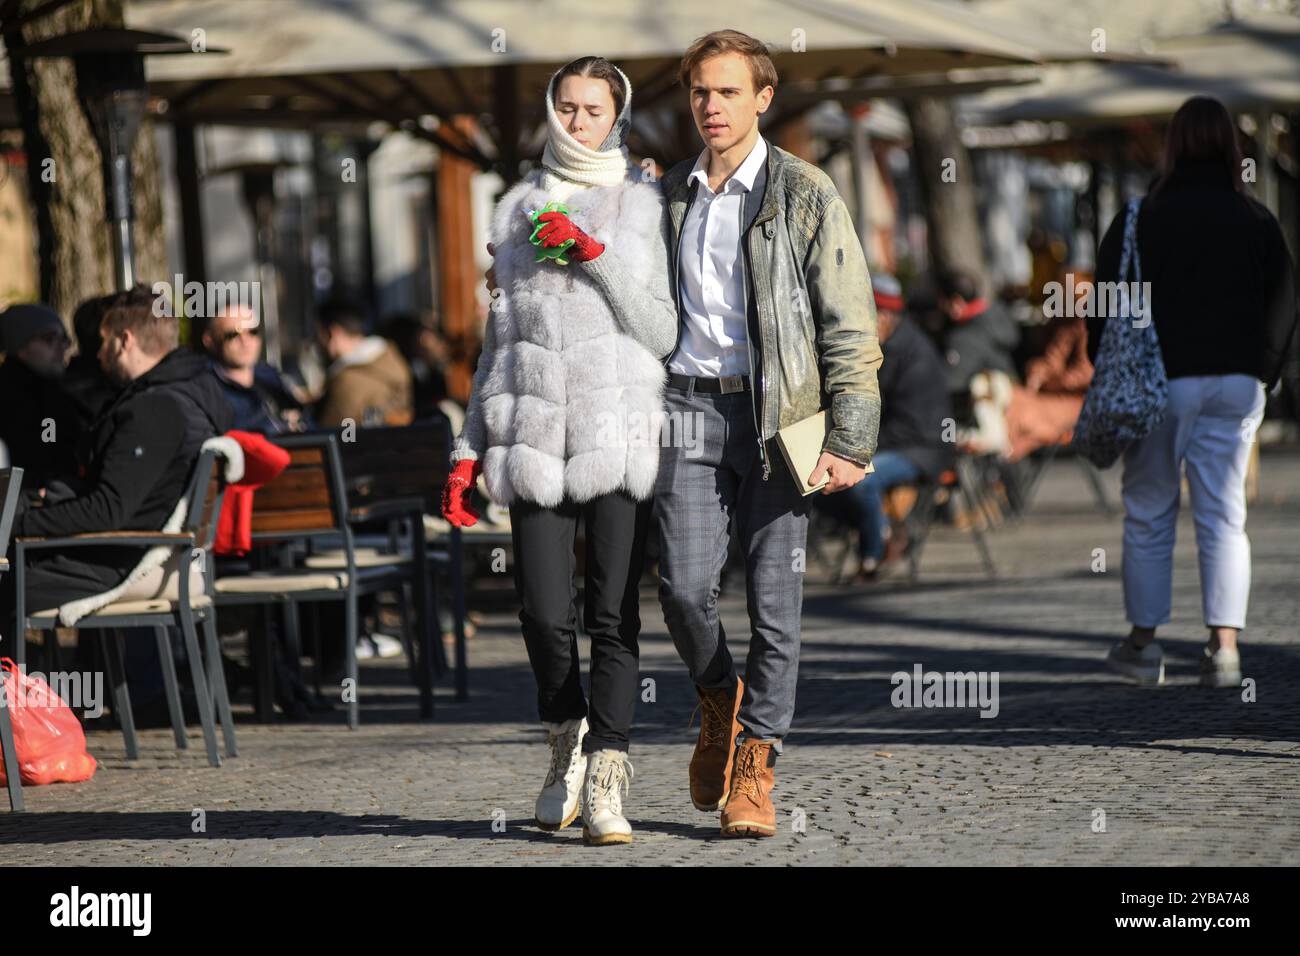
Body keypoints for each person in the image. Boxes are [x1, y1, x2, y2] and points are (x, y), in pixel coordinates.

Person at [440, 56, 677, 846]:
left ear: (619, 116)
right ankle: (564, 740)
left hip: (618, 436)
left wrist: (594, 255)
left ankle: (609, 769)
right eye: (567, 107)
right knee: (543, 612)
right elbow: (496, 348)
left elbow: (662, 332)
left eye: (593, 109)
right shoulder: (514, 211)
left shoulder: (645, 204)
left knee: (612, 615)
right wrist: (466, 450)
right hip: (533, 441)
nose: (578, 122)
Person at [654, 30, 881, 838]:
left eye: (726, 92)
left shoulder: (804, 191)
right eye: (699, 93)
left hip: (781, 417)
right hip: (686, 405)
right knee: (681, 588)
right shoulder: (670, 193)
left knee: (776, 607)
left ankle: (756, 763)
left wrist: (850, 437)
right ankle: (719, 694)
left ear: (762, 98)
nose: (710, 107)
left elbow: (849, 323)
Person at [1091, 96, 1298, 688]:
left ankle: (1144, 646)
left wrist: (1102, 364)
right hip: (1236, 382)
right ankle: (1224, 650)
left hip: (1161, 383)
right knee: (1224, 515)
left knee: (1149, 511)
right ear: (1234, 148)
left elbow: (1105, 304)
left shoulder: (1138, 217)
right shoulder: (1255, 218)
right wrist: (1264, 370)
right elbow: (1285, 301)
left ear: (1173, 145)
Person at [1, 287, 232, 623]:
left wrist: (16, 524)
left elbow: (108, 510)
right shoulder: (192, 393)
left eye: (104, 342)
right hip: (139, 553)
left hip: (118, 562)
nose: (97, 355)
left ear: (125, 340)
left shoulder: (157, 407)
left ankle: (21, 677)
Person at [816, 275, 953, 580]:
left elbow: (910, 424)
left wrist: (858, 448)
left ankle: (872, 556)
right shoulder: (885, 347)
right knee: (818, 486)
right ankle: (885, 530)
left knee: (861, 480)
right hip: (896, 442)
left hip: (921, 449)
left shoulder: (910, 354)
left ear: (886, 317)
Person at [936, 267, 1021, 455]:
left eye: (943, 302)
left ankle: (984, 441)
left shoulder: (963, 336)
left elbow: (951, 382)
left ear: (956, 302)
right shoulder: (997, 314)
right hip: (1017, 397)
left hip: (990, 414)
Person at [0, 303, 83, 488]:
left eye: (64, 340)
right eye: (49, 338)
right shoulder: (13, 395)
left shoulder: (55, 390)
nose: (61, 348)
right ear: (20, 345)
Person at [202, 303, 311, 434]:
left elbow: (307, 421)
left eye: (252, 332)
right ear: (210, 341)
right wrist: (280, 424)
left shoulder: (270, 376)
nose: (245, 341)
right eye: (232, 335)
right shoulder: (205, 388)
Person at [314, 298, 413, 427]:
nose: (317, 340)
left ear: (334, 333)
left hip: (358, 444)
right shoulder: (391, 360)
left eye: (319, 333)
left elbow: (334, 429)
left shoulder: (349, 379)